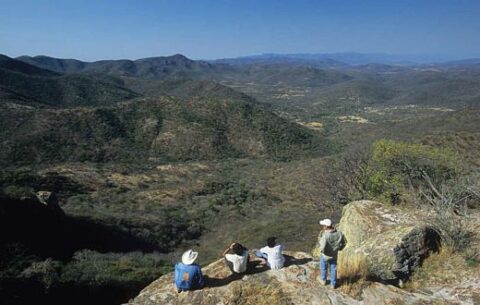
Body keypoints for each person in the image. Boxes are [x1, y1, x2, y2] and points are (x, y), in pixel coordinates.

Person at [318, 218, 346, 289]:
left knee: (323, 267)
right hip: (334, 254)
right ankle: (333, 284)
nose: (323, 227)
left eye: (323, 225)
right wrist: (340, 248)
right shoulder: (339, 233)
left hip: (325, 255)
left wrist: (322, 251)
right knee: (333, 268)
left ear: (326, 227)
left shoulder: (325, 235)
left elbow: (322, 246)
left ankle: (323, 280)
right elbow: (344, 243)